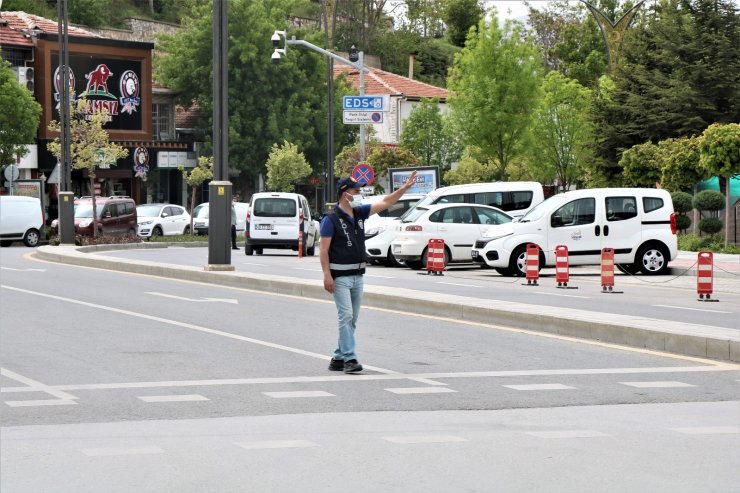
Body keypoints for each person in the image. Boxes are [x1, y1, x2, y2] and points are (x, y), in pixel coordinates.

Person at [320, 171, 418, 373]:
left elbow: (386, 202)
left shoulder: (360, 213)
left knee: (352, 319)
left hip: (358, 276)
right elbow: (323, 249)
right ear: (345, 193)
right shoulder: (331, 219)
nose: (359, 194)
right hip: (339, 277)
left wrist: (405, 188)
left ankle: (338, 357)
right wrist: (327, 276)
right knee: (346, 316)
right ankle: (349, 359)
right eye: (356, 191)